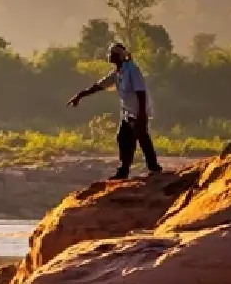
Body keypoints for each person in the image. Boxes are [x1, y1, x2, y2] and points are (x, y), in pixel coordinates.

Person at [69, 42, 162, 180]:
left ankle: (154, 168)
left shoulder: (131, 70)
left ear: (120, 56)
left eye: (112, 53)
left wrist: (142, 113)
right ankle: (124, 170)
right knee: (123, 138)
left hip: (137, 111)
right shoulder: (117, 73)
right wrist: (80, 95)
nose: (109, 55)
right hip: (127, 112)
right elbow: (99, 85)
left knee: (142, 138)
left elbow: (141, 91)